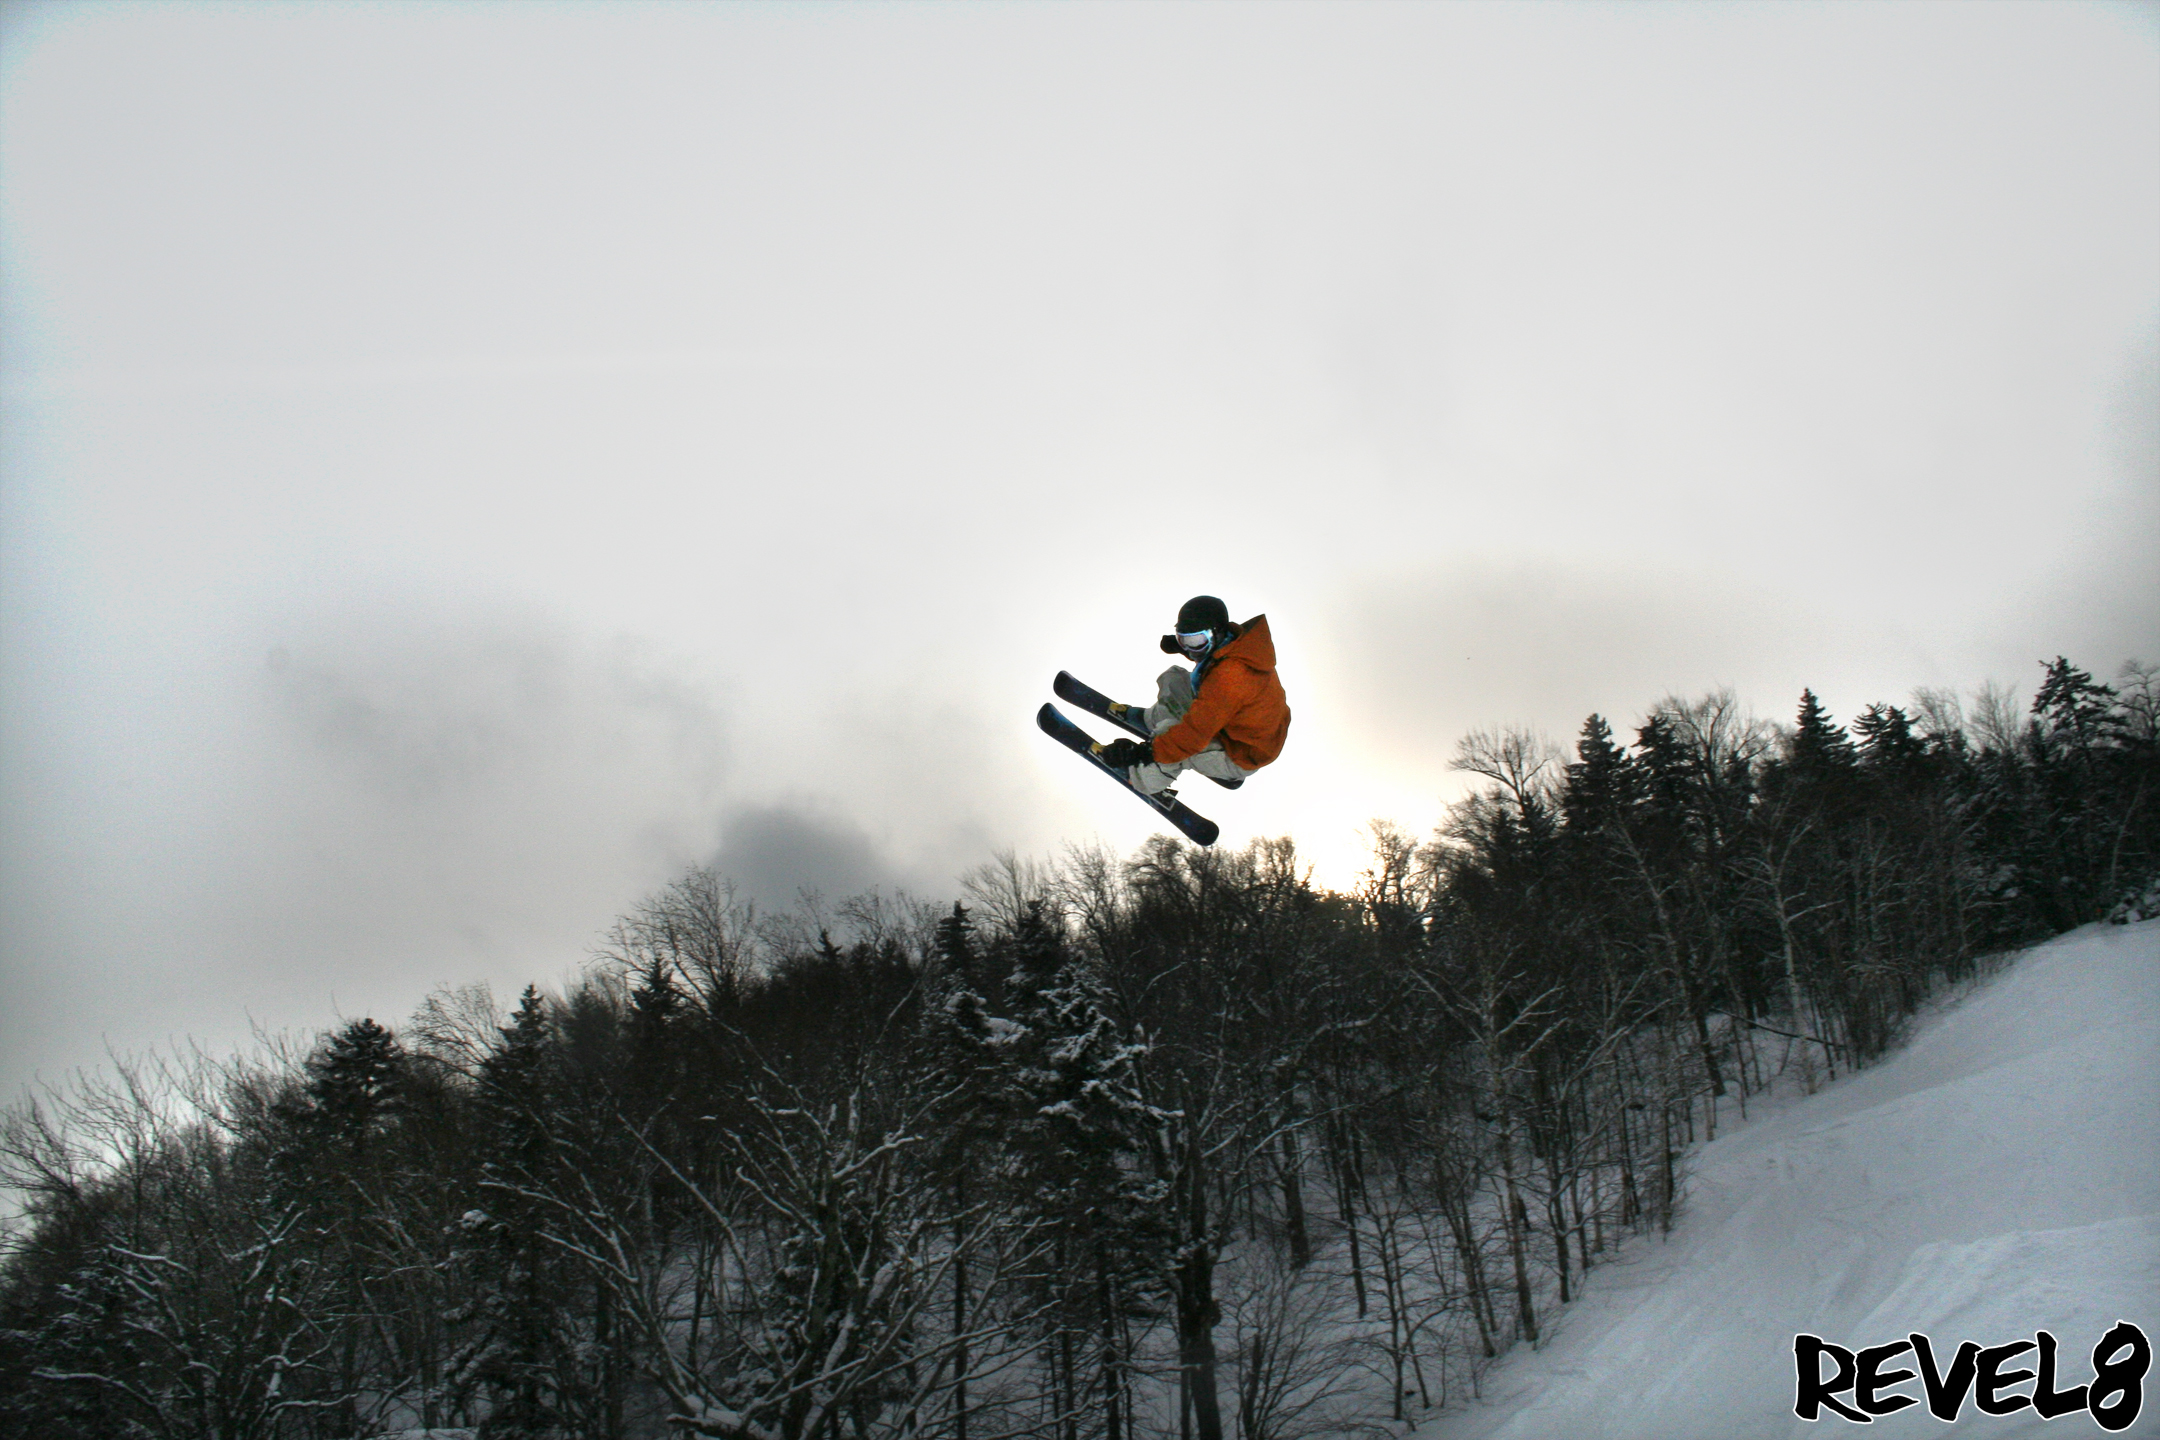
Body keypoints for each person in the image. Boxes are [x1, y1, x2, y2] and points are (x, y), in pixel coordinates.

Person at [1099, 596, 1291, 795]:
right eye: (1184, 640)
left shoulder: (1231, 678)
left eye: (1196, 641)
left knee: (1171, 735)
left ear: (1216, 633)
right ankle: (1151, 720)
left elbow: (1193, 735)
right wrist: (1185, 647)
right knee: (1173, 679)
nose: (1190, 649)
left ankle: (1143, 779)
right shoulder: (1237, 645)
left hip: (1242, 753)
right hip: (1234, 726)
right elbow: (1215, 660)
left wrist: (1142, 754)